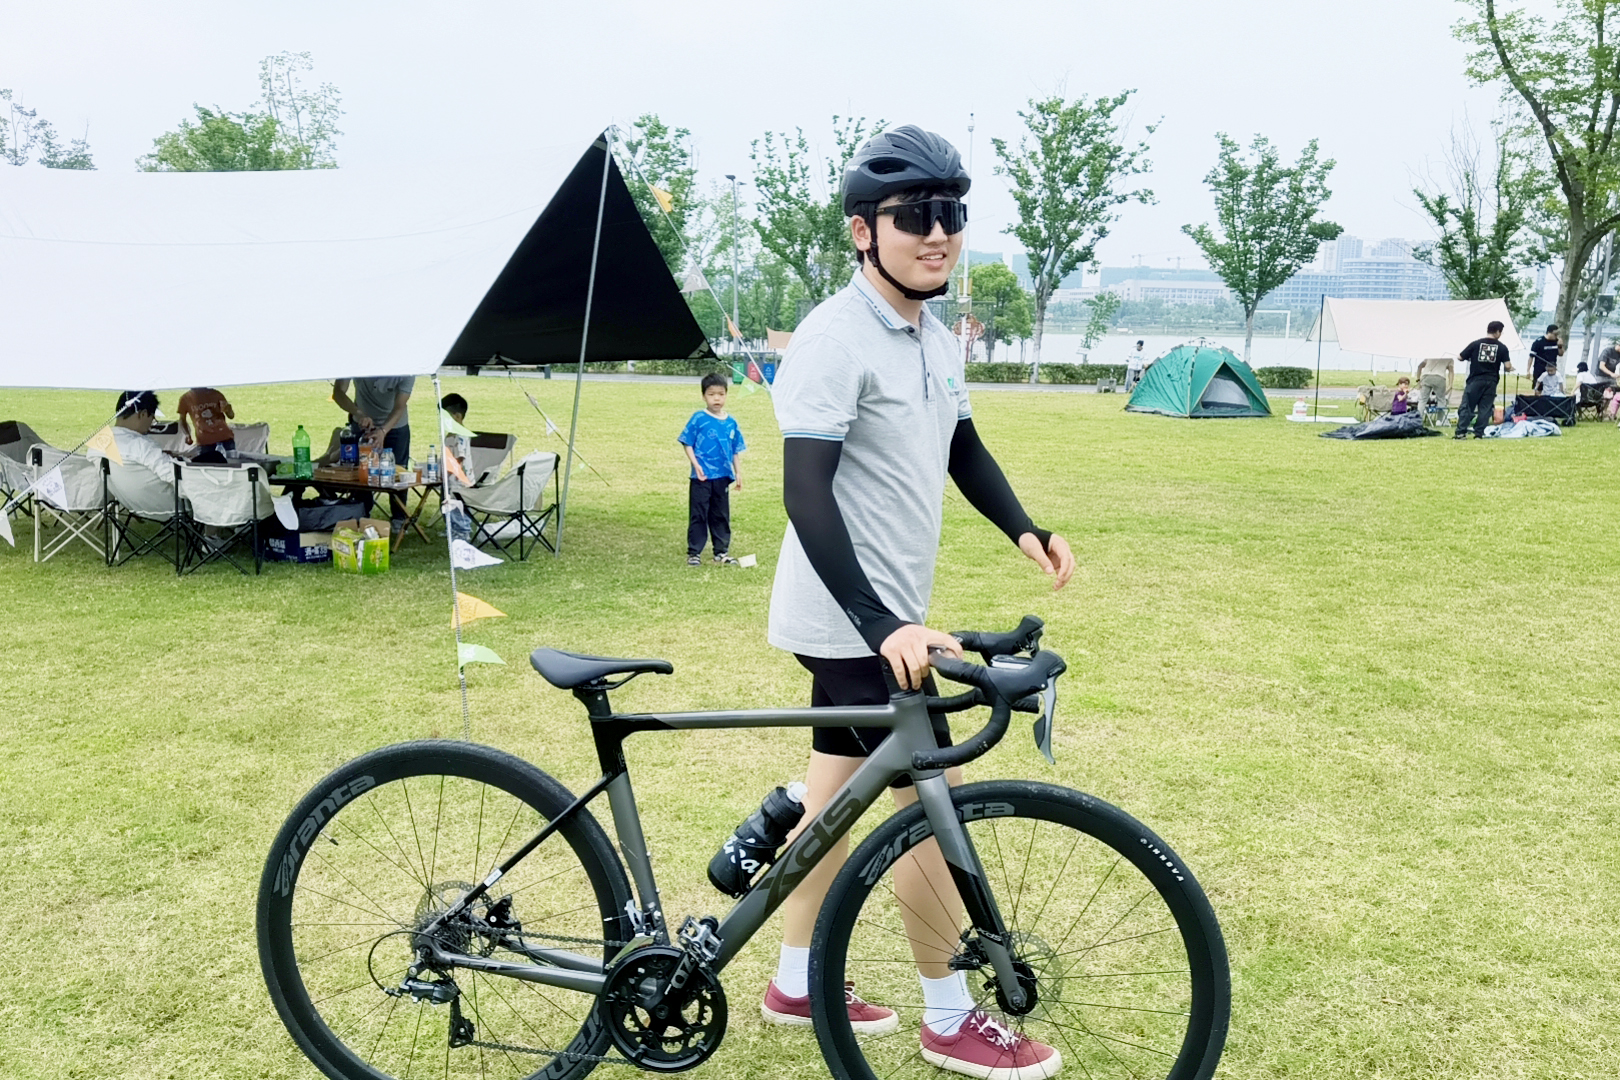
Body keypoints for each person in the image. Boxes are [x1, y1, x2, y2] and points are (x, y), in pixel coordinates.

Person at [762, 124, 1074, 1079]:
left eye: (951, 214)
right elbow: (806, 493)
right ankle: (949, 1015)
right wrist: (879, 623)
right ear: (864, 231)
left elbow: (961, 447)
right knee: (930, 807)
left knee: (831, 802)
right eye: (915, 216)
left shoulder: (934, 335)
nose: (938, 233)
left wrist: (1024, 528)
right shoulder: (835, 338)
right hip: (851, 619)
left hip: (884, 615)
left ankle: (792, 980)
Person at [678, 373, 745, 566]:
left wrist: (738, 472)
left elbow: (735, 450)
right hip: (702, 476)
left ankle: (721, 552)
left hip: (722, 476)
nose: (717, 399)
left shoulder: (731, 422)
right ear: (704, 396)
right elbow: (687, 442)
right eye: (711, 394)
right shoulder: (698, 418)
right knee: (699, 513)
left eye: (721, 394)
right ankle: (694, 553)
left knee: (720, 514)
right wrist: (696, 464)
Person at [332, 376, 415, 533]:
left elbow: (400, 406)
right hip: (362, 423)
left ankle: (399, 518)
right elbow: (338, 393)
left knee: (398, 472)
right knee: (361, 470)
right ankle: (362, 514)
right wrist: (358, 413)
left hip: (396, 426)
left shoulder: (405, 371)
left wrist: (383, 431)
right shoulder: (356, 362)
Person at [92, 390, 178, 479]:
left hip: (114, 488)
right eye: (152, 418)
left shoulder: (96, 444)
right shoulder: (144, 447)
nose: (151, 424)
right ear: (143, 414)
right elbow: (177, 477)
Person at [1454, 321, 1515, 439]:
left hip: (1475, 380)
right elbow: (1507, 366)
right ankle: (1479, 433)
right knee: (1485, 408)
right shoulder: (1502, 347)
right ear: (1497, 332)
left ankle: (1461, 432)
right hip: (1491, 381)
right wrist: (1510, 369)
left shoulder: (1475, 344)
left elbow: (1460, 357)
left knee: (1467, 406)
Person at [176, 386, 236, 458]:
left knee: (230, 462)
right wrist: (187, 435)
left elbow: (231, 416)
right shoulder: (185, 398)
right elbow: (182, 420)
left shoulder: (216, 394)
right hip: (204, 442)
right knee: (207, 463)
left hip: (225, 438)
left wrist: (228, 409)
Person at [440, 392, 471, 476]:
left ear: (457, 416)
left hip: (457, 481)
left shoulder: (460, 437)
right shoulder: (450, 436)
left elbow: (459, 459)